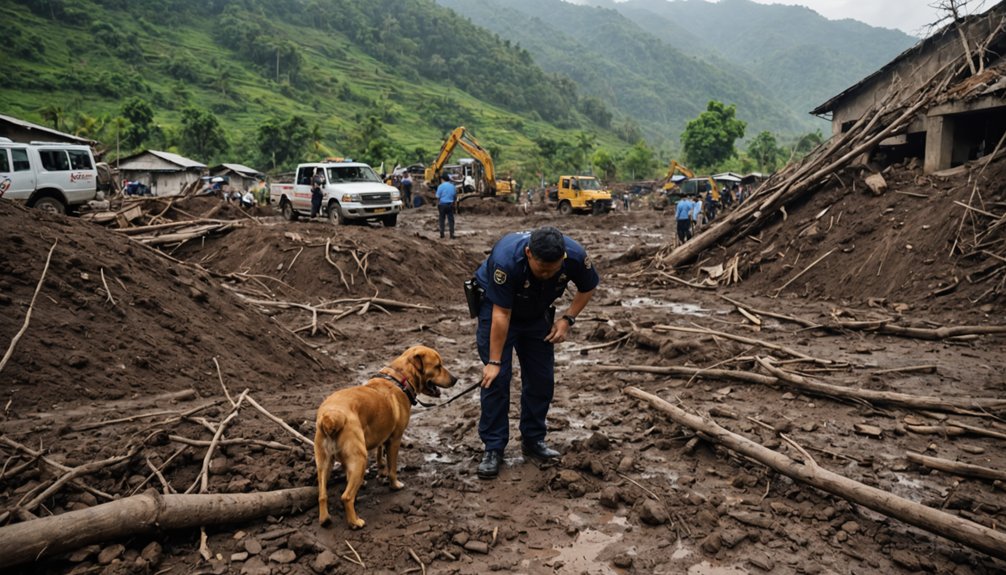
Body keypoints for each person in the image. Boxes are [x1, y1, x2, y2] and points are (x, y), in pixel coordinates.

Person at [472, 226, 600, 479]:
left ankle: (533, 439)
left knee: (541, 379)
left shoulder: (574, 255)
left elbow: (588, 287)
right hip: (498, 309)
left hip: (536, 313)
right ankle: (493, 448)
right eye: (541, 269)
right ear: (529, 253)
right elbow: (501, 315)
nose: (546, 275)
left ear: (562, 259)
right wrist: (494, 361)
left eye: (552, 271)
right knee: (496, 380)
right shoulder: (506, 260)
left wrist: (567, 320)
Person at [436, 173, 457, 239]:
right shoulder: (453, 186)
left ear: (442, 179)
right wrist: (454, 204)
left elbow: (438, 197)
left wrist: (438, 204)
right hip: (450, 204)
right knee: (451, 220)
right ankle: (452, 234)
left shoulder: (440, 186)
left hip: (442, 204)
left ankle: (442, 233)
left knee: (442, 219)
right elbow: (455, 196)